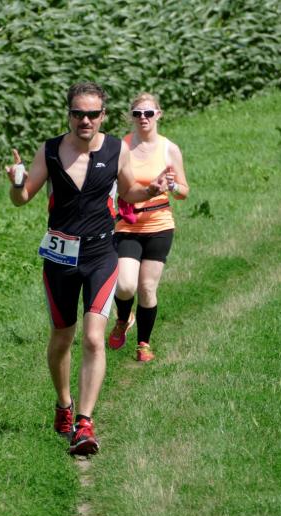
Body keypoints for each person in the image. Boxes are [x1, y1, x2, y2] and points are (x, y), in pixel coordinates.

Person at [7, 82, 166, 456]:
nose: (85, 120)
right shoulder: (50, 150)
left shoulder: (116, 149)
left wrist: (152, 190)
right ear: (69, 115)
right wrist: (16, 183)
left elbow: (128, 191)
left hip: (100, 255)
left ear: (103, 116)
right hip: (60, 259)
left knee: (94, 338)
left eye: (93, 114)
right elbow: (22, 198)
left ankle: (85, 423)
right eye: (78, 113)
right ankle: (64, 404)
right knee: (62, 338)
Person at [107, 92, 189, 362]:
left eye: (149, 113)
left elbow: (184, 191)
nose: (143, 118)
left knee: (147, 288)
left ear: (158, 115)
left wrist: (172, 185)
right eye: (138, 113)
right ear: (131, 117)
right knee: (125, 285)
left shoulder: (169, 149)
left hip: (159, 224)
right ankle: (123, 318)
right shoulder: (121, 147)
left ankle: (143, 344)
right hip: (128, 224)